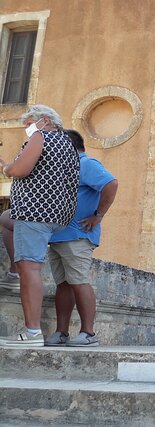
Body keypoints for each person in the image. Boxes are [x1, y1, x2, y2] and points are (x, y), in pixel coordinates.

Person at [0, 105, 80, 347]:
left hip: (34, 212)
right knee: (5, 218)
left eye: (29, 123)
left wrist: (6, 168)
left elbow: (20, 170)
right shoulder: (67, 143)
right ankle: (14, 272)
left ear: (44, 121)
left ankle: (32, 332)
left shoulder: (41, 135)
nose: (28, 129)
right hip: (57, 214)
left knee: (30, 269)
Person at [44, 129, 117, 347]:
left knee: (78, 282)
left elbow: (111, 184)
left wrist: (98, 215)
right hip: (58, 235)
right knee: (63, 284)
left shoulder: (85, 163)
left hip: (77, 234)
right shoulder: (65, 168)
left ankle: (88, 333)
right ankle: (62, 332)